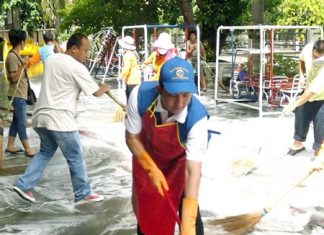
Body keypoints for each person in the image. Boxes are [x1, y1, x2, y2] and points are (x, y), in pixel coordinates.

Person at [13, 33, 109, 203]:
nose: (86, 56)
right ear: (73, 49)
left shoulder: (52, 60)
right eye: (85, 51)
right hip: (60, 120)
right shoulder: (77, 67)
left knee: (45, 152)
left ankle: (24, 185)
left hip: (41, 117)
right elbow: (95, 92)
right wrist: (104, 87)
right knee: (75, 156)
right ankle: (83, 193)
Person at [126, 57, 208, 234]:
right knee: (149, 213)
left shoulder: (197, 118)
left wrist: (187, 226)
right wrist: (151, 169)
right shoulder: (139, 96)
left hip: (180, 163)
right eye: (172, 95)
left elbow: (192, 171)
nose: (179, 104)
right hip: (147, 156)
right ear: (159, 89)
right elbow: (132, 138)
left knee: (189, 215)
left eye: (186, 95)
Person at [284, 40, 324, 157]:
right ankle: (298, 144)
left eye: (319, 58)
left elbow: (311, 92)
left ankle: (319, 150)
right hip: (308, 91)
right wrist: (301, 76)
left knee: (321, 123)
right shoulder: (308, 48)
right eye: (314, 56)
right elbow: (301, 60)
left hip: (321, 96)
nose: (315, 59)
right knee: (300, 115)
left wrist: (292, 105)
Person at [5, 29, 36, 157]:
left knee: (16, 121)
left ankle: (10, 145)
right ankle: (27, 148)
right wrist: (23, 65)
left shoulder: (16, 55)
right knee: (22, 122)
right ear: (21, 42)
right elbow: (13, 77)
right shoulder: (12, 56)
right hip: (16, 94)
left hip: (20, 93)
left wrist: (24, 64)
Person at [117, 36, 141, 100]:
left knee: (130, 98)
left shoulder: (127, 55)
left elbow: (126, 68)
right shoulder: (132, 53)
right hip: (135, 78)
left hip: (132, 79)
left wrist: (120, 76)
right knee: (133, 97)